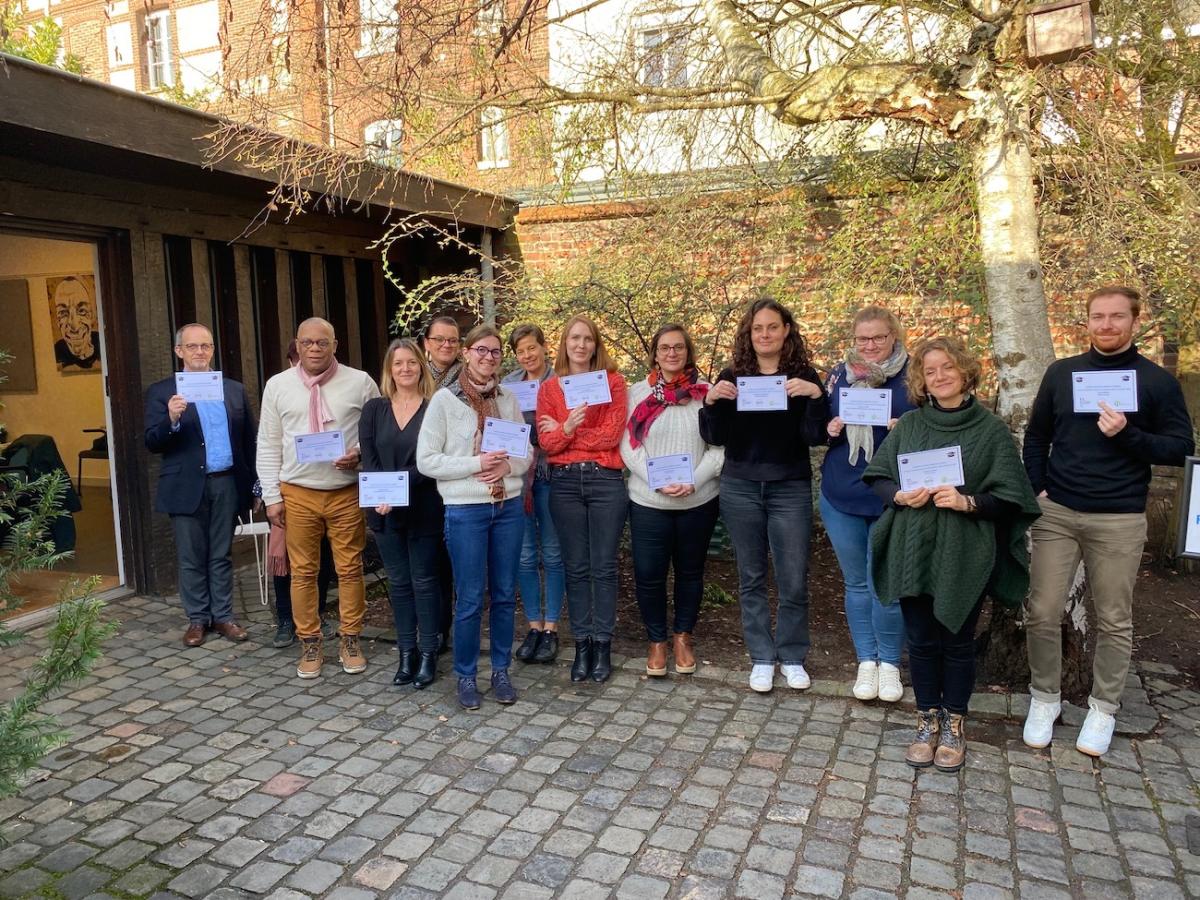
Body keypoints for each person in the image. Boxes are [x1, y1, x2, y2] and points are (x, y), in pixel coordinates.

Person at [1022, 286, 1195, 757]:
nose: (1106, 325)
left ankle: (1103, 708)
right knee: (1041, 610)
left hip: (1119, 517)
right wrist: (1038, 486)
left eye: (1117, 317)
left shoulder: (1155, 382)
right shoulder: (1063, 373)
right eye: (1098, 316)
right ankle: (1045, 698)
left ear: (1134, 322)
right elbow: (1036, 436)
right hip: (1058, 511)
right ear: (1088, 321)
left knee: (1115, 619)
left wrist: (1129, 435)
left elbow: (1180, 447)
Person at [863, 337, 1040, 772]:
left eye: (946, 367)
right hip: (913, 546)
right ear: (920, 379)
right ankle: (926, 720)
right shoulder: (909, 425)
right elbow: (879, 477)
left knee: (957, 641)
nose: (938, 376)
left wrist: (968, 503)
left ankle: (955, 723)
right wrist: (900, 496)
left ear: (964, 371)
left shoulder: (990, 430)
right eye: (929, 370)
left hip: (964, 549)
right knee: (921, 641)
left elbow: (1012, 497)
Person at [699, 297, 829, 693]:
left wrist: (815, 397)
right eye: (758, 328)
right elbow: (715, 436)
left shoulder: (804, 375)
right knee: (750, 576)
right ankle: (760, 656)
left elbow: (815, 436)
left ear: (786, 330)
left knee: (793, 578)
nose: (765, 334)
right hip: (740, 486)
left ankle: (791, 655)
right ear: (749, 334)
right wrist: (710, 402)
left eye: (773, 327)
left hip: (788, 486)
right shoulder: (733, 375)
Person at [258, 317, 381, 679]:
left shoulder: (360, 382)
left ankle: (350, 638)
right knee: (304, 573)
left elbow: (377, 431)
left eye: (322, 343)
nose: (314, 349)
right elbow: (267, 443)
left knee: (349, 569)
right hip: (297, 493)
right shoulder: (277, 386)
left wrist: (357, 452)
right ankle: (309, 642)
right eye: (307, 343)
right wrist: (271, 497)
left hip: (345, 491)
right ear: (296, 345)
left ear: (335, 345)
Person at [417, 325, 531, 709]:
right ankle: (466, 675)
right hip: (466, 509)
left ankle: (500, 669)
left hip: (508, 507)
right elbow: (427, 460)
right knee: (468, 598)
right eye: (481, 350)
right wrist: (476, 463)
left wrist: (507, 470)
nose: (488, 357)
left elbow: (525, 454)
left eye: (495, 352)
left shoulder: (509, 400)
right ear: (466, 353)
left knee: (502, 594)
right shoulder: (445, 402)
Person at [820, 306, 914, 703]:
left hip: (892, 496)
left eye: (878, 337)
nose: (870, 346)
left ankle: (890, 664)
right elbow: (818, 427)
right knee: (856, 583)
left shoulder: (915, 376)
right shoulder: (839, 375)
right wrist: (830, 428)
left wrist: (907, 428)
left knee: (887, 585)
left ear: (894, 336)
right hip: (841, 492)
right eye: (863, 339)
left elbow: (935, 427)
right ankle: (866, 661)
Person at [144, 323, 257, 647]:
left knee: (221, 554)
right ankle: (197, 619)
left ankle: (223, 617)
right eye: (192, 347)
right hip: (185, 485)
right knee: (191, 555)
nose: (199, 352)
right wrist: (172, 419)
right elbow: (152, 442)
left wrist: (255, 487)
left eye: (205, 346)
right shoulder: (163, 392)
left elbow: (249, 440)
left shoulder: (232, 389)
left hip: (226, 483)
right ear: (179, 351)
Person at [620, 324, 723, 676]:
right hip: (649, 501)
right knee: (649, 575)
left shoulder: (706, 393)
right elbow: (628, 446)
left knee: (690, 573)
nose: (672, 354)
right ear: (655, 353)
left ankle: (682, 637)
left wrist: (694, 480)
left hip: (698, 501)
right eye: (665, 348)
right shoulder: (637, 393)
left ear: (688, 352)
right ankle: (657, 641)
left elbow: (720, 447)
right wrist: (657, 481)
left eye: (679, 347)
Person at [537, 315, 629, 684]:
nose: (580, 345)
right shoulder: (550, 389)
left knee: (603, 566)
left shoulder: (614, 382)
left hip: (605, 481)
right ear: (565, 343)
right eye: (574, 338)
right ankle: (583, 644)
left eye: (587, 339)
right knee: (575, 568)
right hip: (564, 485)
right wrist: (565, 431)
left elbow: (610, 435)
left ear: (596, 344)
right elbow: (547, 445)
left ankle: (603, 644)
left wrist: (567, 433)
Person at [361, 339, 444, 689]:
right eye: (398, 364)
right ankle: (406, 653)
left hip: (424, 508)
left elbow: (431, 461)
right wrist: (383, 495)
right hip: (383, 511)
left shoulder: (434, 408)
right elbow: (370, 459)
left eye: (411, 363)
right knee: (398, 584)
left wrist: (396, 488)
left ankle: (428, 654)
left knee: (425, 582)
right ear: (389, 370)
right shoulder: (373, 409)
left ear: (421, 367)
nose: (405, 369)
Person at [502, 324, 564, 665]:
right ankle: (534, 626)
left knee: (553, 553)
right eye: (520, 351)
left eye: (531, 348)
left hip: (551, 473)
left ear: (544, 347)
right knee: (525, 555)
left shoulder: (559, 381)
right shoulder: (508, 386)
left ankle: (552, 627)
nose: (527, 355)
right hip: (518, 477)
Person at [423, 315, 463, 649]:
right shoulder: (413, 374)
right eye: (440, 339)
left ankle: (446, 629)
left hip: (455, 475)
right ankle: (428, 628)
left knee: (451, 560)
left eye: (452, 340)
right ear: (427, 344)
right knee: (428, 559)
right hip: (420, 477)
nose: (446, 345)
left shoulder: (469, 377)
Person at [51, 276, 101, 370]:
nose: (74, 326)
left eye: (82, 310)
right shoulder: (55, 355)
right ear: (57, 321)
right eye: (63, 312)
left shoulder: (105, 348)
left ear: (92, 316)